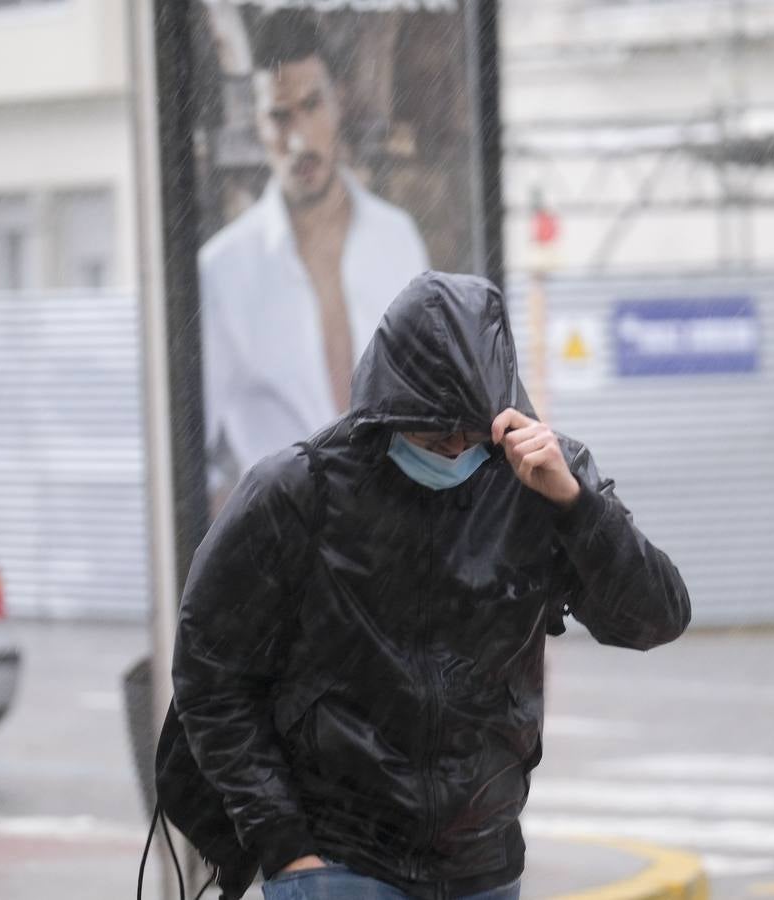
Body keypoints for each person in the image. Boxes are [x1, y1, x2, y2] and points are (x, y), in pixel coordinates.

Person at [165, 272, 691, 899]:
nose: (451, 449)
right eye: (430, 431)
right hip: (339, 863)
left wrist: (577, 508)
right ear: (387, 407)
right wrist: (285, 845)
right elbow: (210, 677)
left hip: (483, 865)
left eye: (469, 432)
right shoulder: (300, 491)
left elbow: (655, 618)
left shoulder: (540, 481)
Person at [198, 9, 430, 508]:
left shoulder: (398, 241)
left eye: (311, 105)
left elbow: (437, 407)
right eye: (280, 117)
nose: (300, 139)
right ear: (258, 124)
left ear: (338, 103)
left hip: (395, 558)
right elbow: (193, 453)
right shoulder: (223, 272)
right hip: (287, 567)